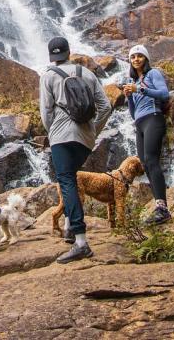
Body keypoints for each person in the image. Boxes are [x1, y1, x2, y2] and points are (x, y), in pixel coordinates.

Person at [39, 36, 113, 263]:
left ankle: (81, 242)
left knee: (67, 181)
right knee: (71, 177)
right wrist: (94, 130)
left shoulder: (48, 76)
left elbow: (46, 114)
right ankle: (70, 227)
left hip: (61, 137)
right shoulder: (87, 74)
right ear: (69, 52)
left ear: (52, 56)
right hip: (85, 138)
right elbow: (106, 107)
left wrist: (54, 133)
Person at [122, 44, 172, 225]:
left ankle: (162, 207)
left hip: (154, 118)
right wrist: (129, 96)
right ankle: (160, 207)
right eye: (133, 57)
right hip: (140, 122)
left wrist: (140, 90)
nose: (136, 59)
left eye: (139, 56)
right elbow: (134, 113)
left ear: (146, 58)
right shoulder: (133, 81)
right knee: (145, 163)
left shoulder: (153, 74)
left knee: (152, 160)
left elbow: (164, 94)